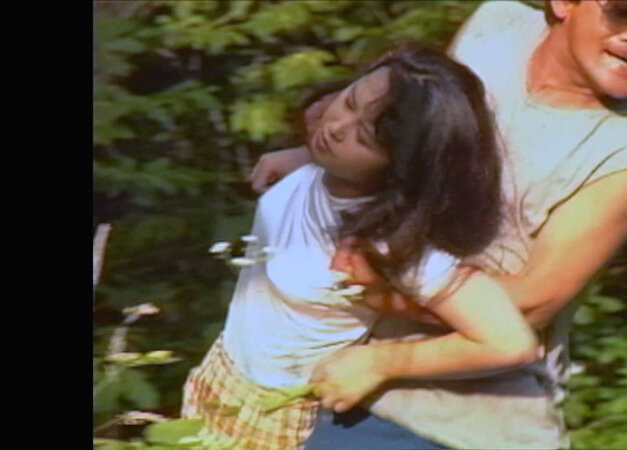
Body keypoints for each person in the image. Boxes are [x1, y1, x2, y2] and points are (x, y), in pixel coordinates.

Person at [250, 1, 627, 449]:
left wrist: (380, 312)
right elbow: (414, 138)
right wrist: (318, 158)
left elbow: (529, 308)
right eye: (624, 11)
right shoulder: (497, 23)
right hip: (340, 373)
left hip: (457, 424)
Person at [181, 45, 544, 449]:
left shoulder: (385, 240)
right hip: (221, 373)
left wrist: (381, 364)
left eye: (366, 136)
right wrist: (305, 157)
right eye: (350, 101)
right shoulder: (325, 167)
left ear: (402, 164)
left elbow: (510, 342)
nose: (338, 126)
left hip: (273, 413)